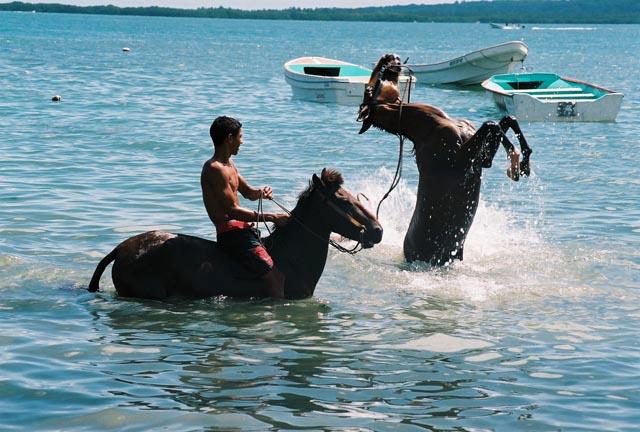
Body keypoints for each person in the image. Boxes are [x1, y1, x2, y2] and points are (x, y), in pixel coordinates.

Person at [201, 116, 289, 298]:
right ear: (229, 139)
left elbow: (249, 193)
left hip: (243, 231)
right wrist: (273, 217)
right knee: (271, 271)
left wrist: (261, 192)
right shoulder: (214, 168)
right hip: (231, 234)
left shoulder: (229, 165)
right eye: (240, 137)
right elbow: (232, 210)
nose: (242, 141)